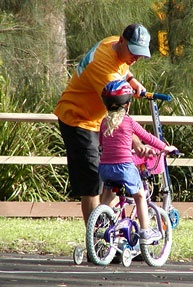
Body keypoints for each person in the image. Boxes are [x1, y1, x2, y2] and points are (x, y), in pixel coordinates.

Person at [53, 24, 153, 226]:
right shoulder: (102, 65)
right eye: (133, 51)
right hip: (78, 119)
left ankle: (109, 235)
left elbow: (123, 68)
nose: (136, 57)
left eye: (140, 54)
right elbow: (117, 113)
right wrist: (135, 142)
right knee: (92, 182)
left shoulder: (112, 43)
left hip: (99, 122)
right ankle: (97, 242)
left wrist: (132, 81)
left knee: (111, 173)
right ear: (122, 41)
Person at [98, 80, 178, 244]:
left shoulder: (104, 123)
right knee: (140, 195)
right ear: (127, 105)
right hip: (124, 167)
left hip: (105, 167)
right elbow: (148, 138)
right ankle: (145, 232)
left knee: (108, 195)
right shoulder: (129, 122)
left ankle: (99, 219)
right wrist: (166, 147)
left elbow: (101, 143)